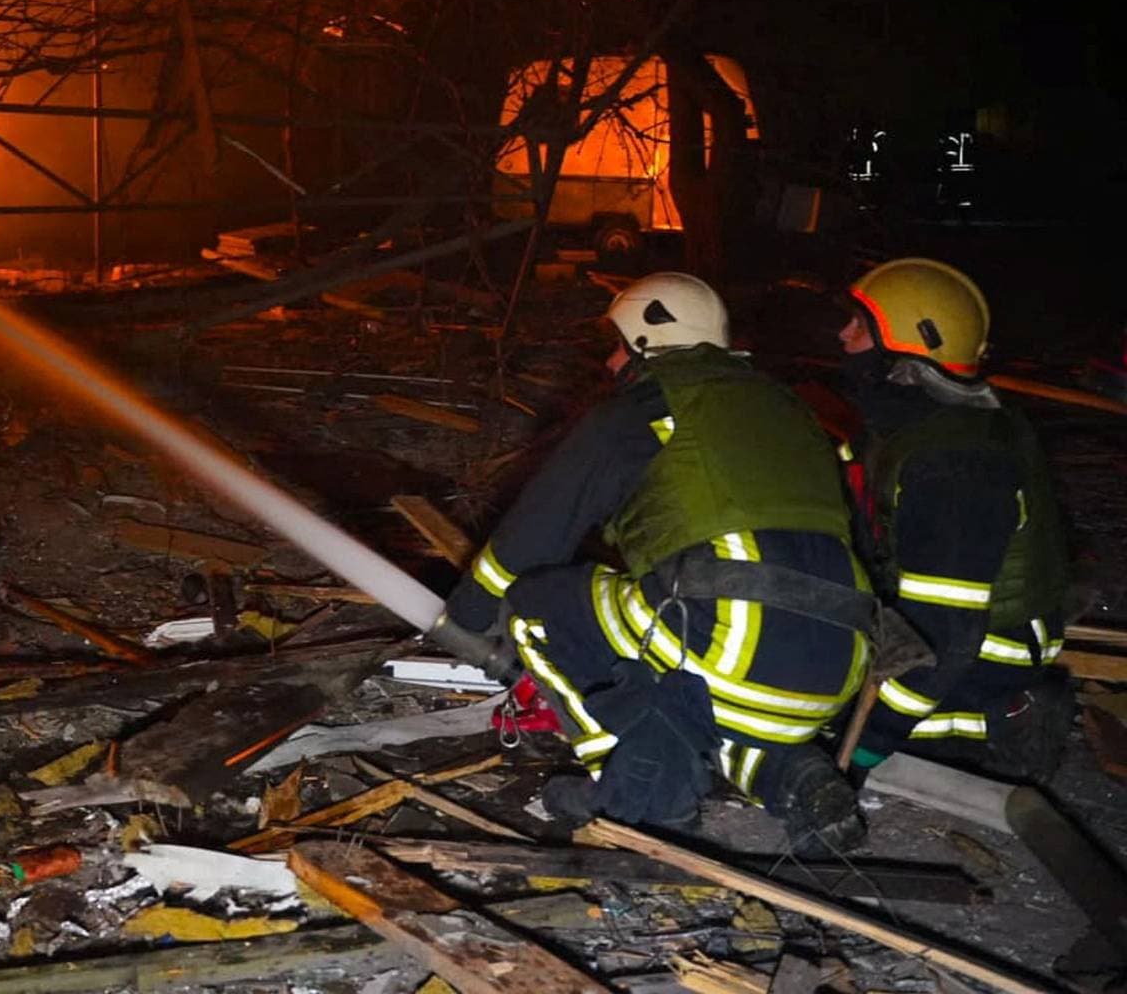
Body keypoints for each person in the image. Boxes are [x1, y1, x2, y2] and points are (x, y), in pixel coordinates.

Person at [428, 272, 873, 850]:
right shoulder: (790, 410)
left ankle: (635, 790)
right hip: (838, 663)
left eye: (617, 344)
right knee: (700, 704)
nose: (611, 363)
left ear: (644, 340)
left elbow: (534, 537)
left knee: (537, 604)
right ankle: (790, 774)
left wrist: (464, 617)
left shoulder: (648, 407)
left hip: (736, 639)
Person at [836, 258, 1073, 780]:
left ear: (903, 346)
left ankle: (1009, 713)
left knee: (817, 712)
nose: (843, 335)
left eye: (860, 325)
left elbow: (946, 634)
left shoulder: (954, 464)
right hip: (931, 622)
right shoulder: (916, 432)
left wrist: (865, 745)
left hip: (989, 645)